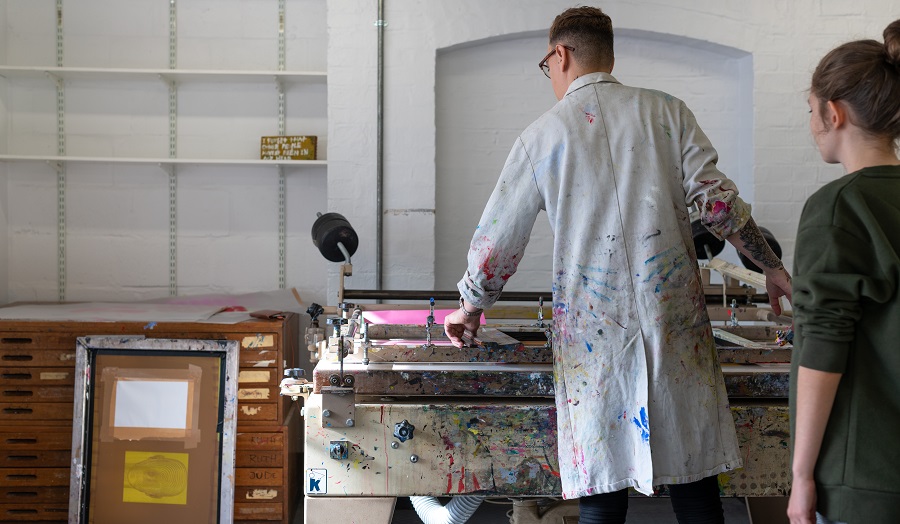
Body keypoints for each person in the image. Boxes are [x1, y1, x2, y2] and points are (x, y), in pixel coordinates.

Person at [443, 6, 792, 524]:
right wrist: (770, 267)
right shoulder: (669, 113)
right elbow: (719, 207)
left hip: (593, 342)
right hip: (673, 334)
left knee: (601, 498)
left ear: (559, 55)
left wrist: (470, 307)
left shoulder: (542, 135)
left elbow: (497, 244)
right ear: (610, 54)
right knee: (697, 489)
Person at [787, 19, 900, 524]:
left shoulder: (839, 208)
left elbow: (824, 347)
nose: (811, 124)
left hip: (866, 479)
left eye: (811, 111)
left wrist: (801, 475)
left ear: (833, 113)